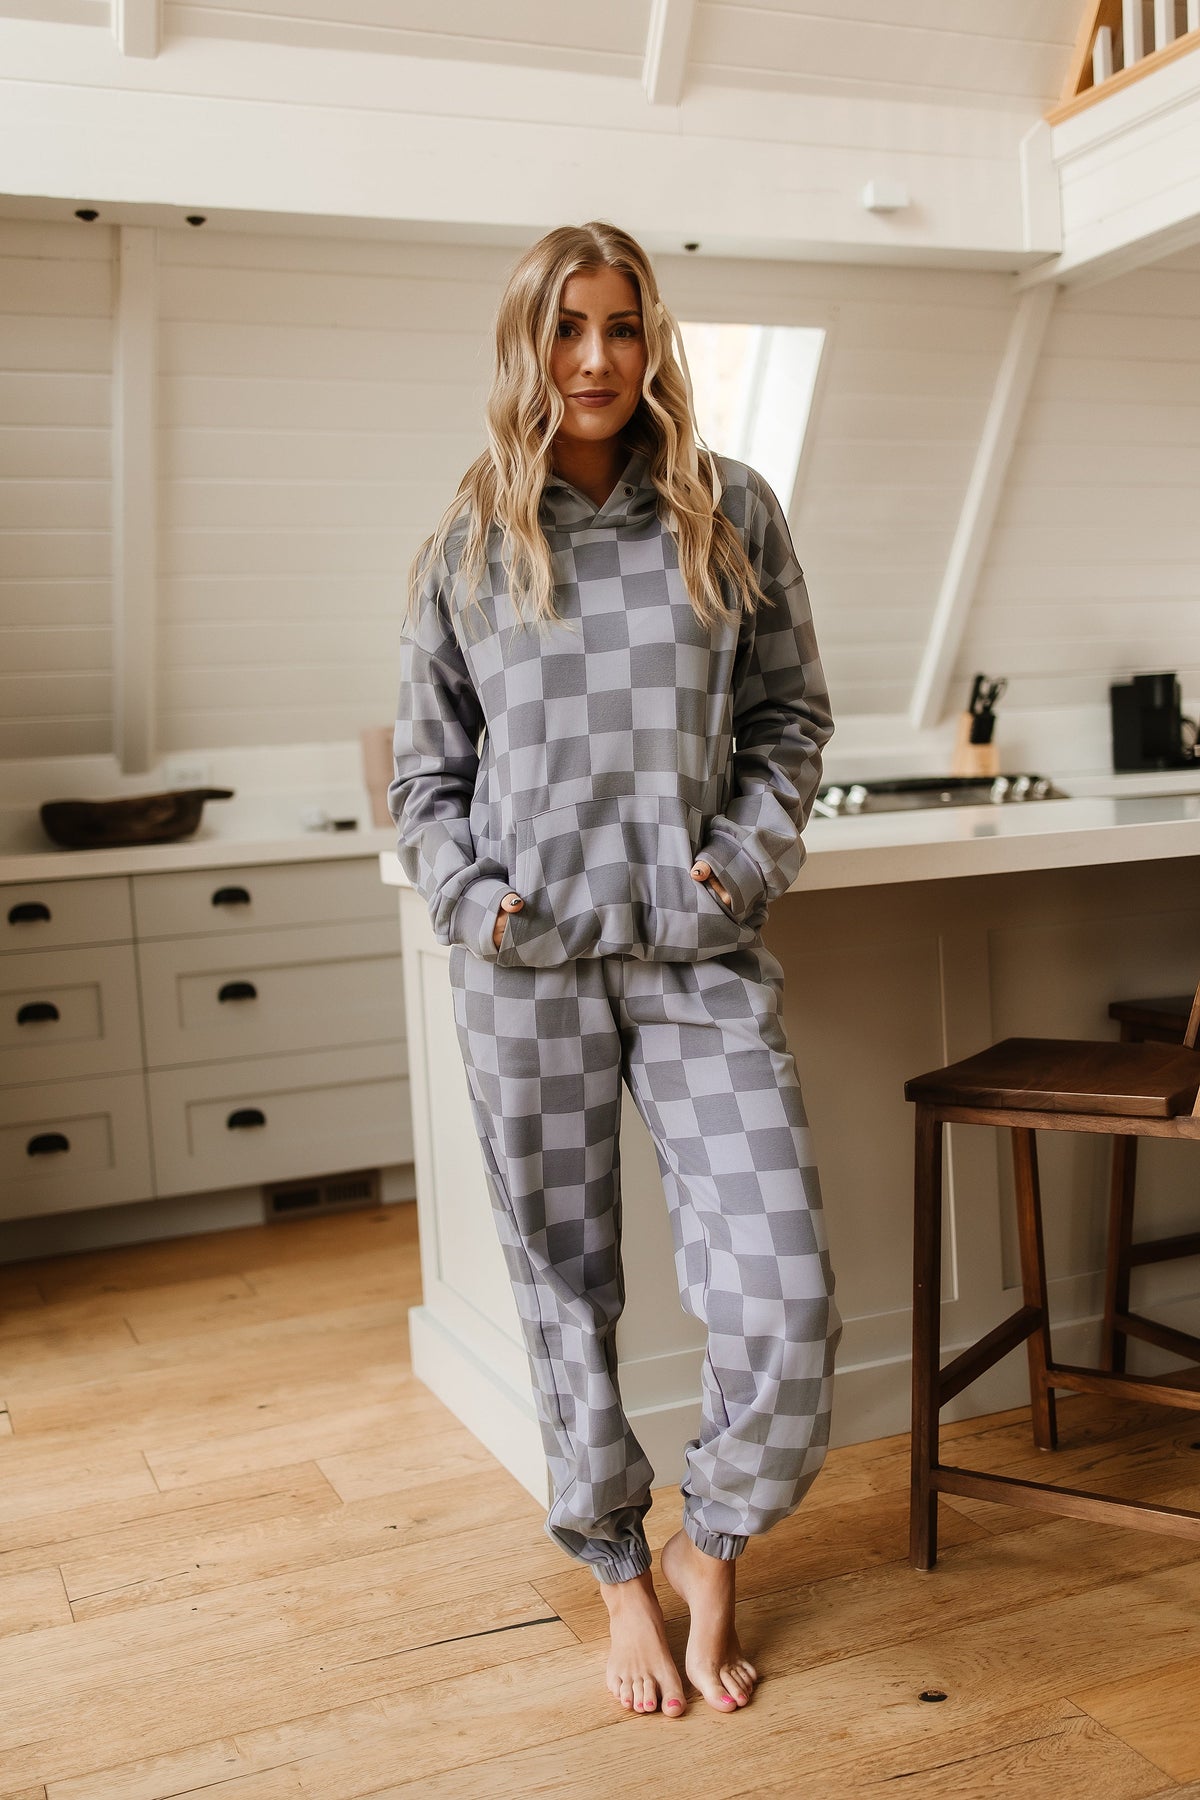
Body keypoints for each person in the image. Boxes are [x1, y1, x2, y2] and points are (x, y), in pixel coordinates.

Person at [389, 220, 841, 1719]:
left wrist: (740, 865)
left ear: (655, 340)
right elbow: (424, 781)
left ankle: (716, 1543)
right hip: (529, 970)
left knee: (782, 1289)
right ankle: (617, 1573)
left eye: (624, 326)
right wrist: (477, 904)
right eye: (569, 327)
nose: (597, 358)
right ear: (528, 344)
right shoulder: (467, 541)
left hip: (698, 955)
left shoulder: (733, 510)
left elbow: (789, 722)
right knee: (561, 1285)